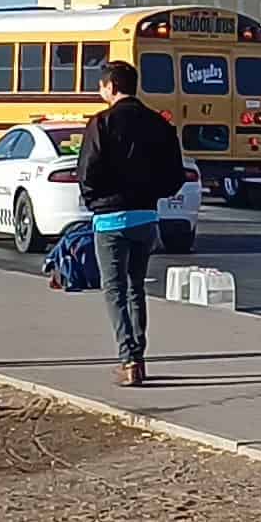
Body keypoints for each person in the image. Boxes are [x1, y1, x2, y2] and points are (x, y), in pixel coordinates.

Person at [77, 59, 191, 386]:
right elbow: (175, 174)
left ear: (111, 87)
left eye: (101, 86)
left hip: (110, 219)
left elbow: (87, 171)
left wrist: (96, 202)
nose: (100, 90)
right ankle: (138, 355)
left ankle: (128, 360)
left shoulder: (101, 123)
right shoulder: (159, 124)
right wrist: (153, 195)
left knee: (114, 290)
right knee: (135, 288)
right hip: (146, 217)